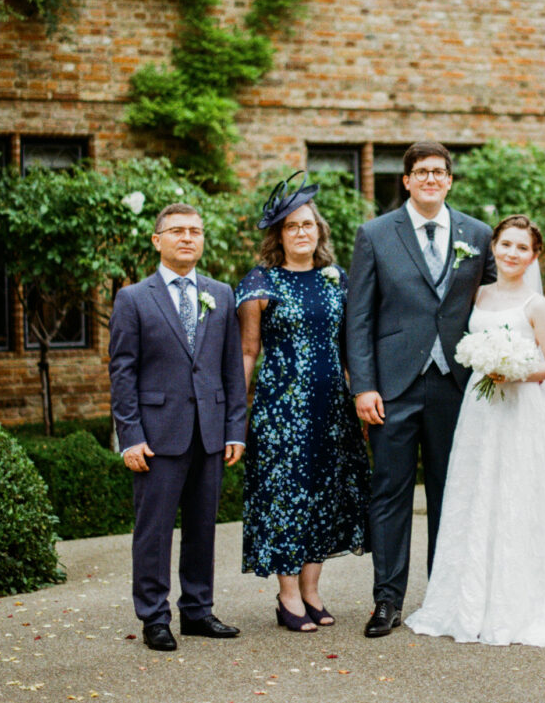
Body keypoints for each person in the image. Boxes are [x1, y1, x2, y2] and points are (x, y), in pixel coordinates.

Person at [406, 215, 545, 648]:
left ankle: (524, 601)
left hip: (522, 411)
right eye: (506, 244)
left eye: (522, 248)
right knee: (478, 493)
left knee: (521, 494)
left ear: (534, 256)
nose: (512, 253)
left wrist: (516, 369)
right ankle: (471, 597)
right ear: (493, 248)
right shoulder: (479, 294)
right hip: (481, 411)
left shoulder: (536, 306)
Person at [345, 140, 497, 638]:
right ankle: (386, 600)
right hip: (392, 387)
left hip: (455, 383)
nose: (431, 179)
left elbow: (494, 303)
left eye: (440, 171)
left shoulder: (476, 233)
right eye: (421, 172)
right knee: (389, 492)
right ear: (406, 180)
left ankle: (444, 596)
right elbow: (359, 316)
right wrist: (364, 385)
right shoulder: (374, 235)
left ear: (450, 180)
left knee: (451, 493)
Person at [109, 202, 249, 652]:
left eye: (195, 231)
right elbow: (122, 373)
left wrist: (234, 429)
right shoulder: (133, 298)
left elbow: (232, 368)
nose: (187, 238)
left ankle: (198, 611)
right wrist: (130, 436)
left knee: (203, 527)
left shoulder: (221, 294)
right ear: (158, 240)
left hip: (209, 432)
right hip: (156, 434)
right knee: (153, 531)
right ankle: (154, 616)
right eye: (177, 231)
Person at [235, 175, 371, 632]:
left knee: (322, 496)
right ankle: (287, 594)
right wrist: (238, 410)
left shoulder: (337, 280)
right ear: (279, 235)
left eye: (308, 225)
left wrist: (358, 399)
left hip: (330, 407)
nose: (301, 233)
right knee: (285, 497)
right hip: (280, 409)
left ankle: (313, 592)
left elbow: (351, 347)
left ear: (319, 231)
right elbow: (248, 350)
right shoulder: (261, 282)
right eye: (291, 226)